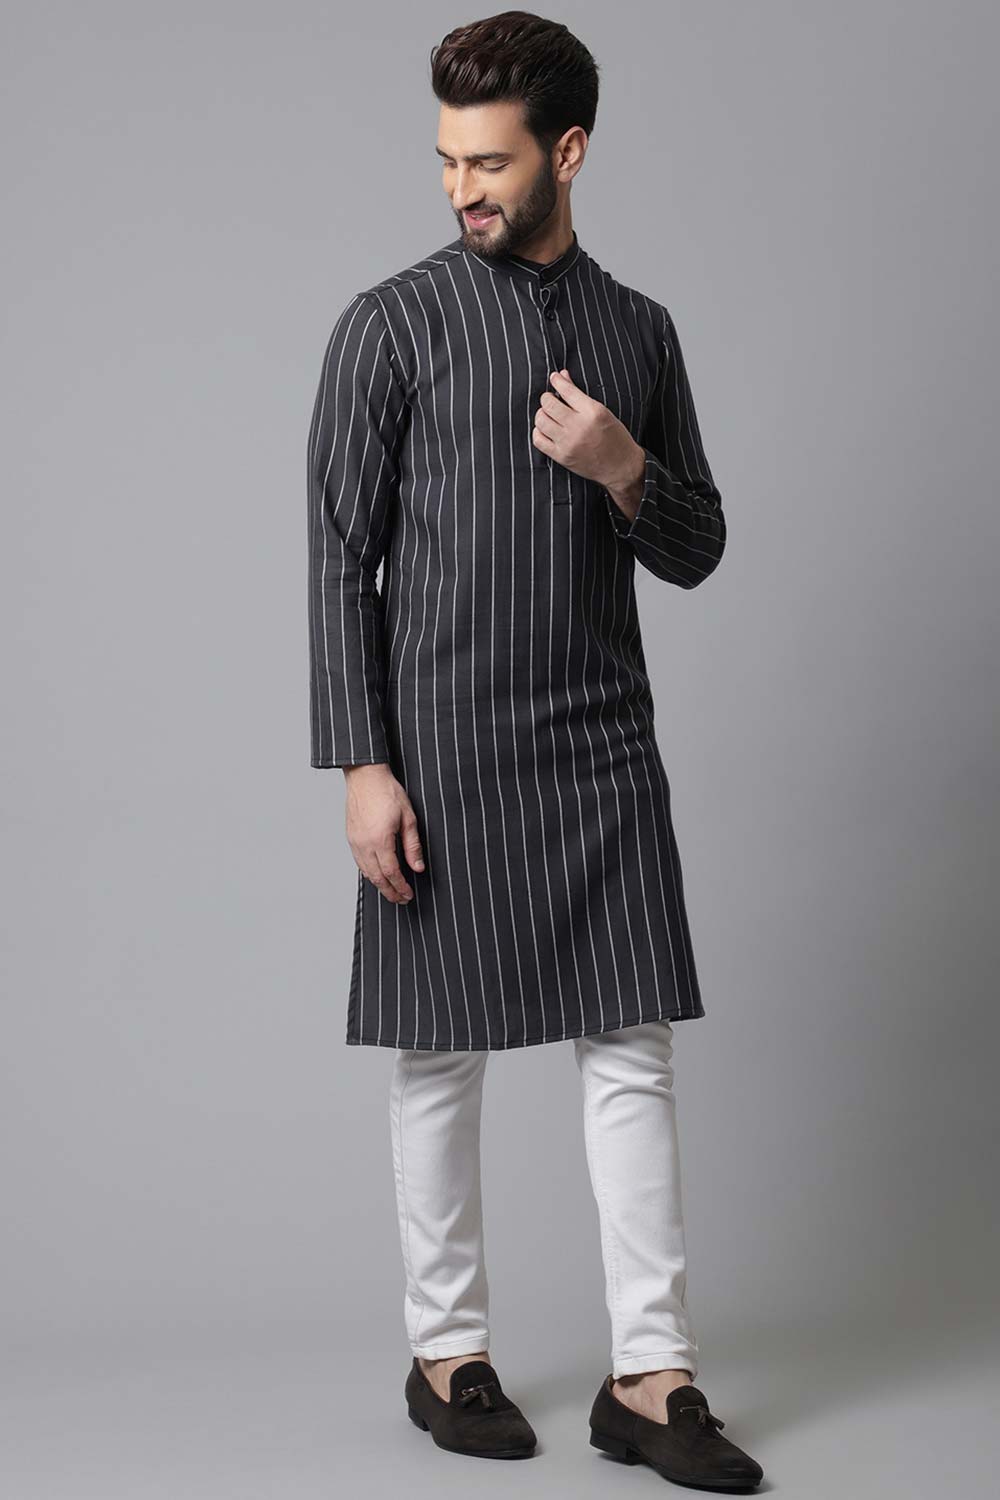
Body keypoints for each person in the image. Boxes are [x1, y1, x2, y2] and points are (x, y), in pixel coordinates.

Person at [306, 9, 764, 1490]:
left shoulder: (641, 330)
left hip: (602, 744)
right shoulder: (391, 324)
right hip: (437, 750)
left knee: (632, 1052)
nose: (462, 189)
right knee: (440, 1056)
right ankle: (448, 1354)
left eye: (489, 163)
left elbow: (695, 547)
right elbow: (339, 557)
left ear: (568, 152)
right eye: (446, 161)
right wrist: (362, 764)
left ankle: (653, 1376)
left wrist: (625, 467)